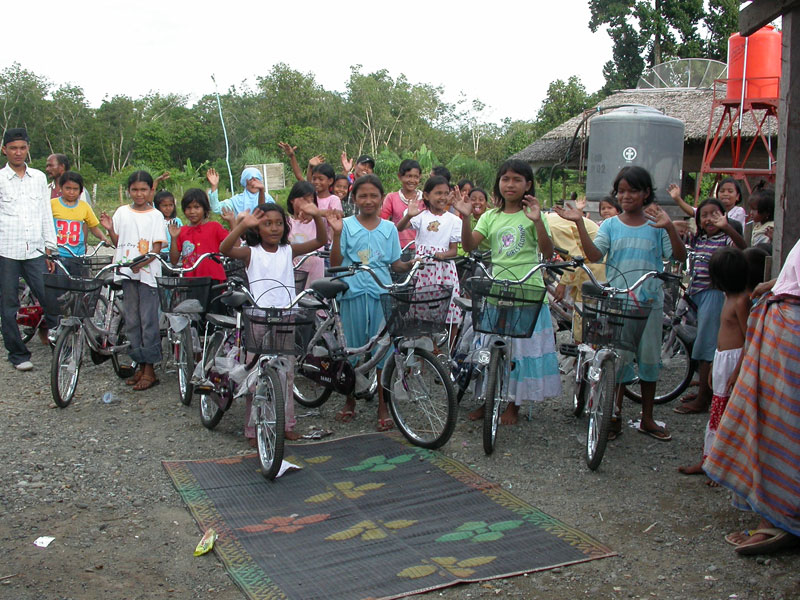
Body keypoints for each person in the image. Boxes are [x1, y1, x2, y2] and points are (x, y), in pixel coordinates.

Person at [554, 165, 687, 441]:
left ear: (646, 193)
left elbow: (678, 256)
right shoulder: (611, 225)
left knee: (649, 361)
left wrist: (669, 227)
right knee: (617, 362)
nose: (626, 196)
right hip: (618, 304)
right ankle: (613, 416)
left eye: (632, 191)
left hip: (650, 303)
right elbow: (594, 255)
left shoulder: (657, 224)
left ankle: (647, 418)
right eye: (621, 191)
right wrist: (579, 223)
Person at [704, 238, 800, 556]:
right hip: (784, 313)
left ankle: (779, 520)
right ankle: (775, 516)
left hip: (790, 322)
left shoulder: (740, 303)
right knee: (772, 425)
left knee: (780, 428)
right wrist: (776, 283)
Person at [456, 159, 561, 425]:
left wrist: (537, 222)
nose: (510, 184)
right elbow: (469, 246)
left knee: (521, 353)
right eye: (505, 179)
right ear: (498, 183)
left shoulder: (535, 214)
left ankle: (514, 405)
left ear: (528, 184)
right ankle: (488, 400)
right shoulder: (490, 216)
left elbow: (548, 252)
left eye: (516, 179)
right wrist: (465, 218)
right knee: (489, 349)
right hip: (497, 292)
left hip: (528, 294)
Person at [220, 201, 328, 443]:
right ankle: (253, 428)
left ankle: (286, 424)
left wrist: (317, 216)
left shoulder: (288, 250)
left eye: (279, 223)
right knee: (256, 374)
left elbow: (321, 240)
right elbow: (225, 248)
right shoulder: (251, 252)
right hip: (258, 318)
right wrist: (241, 226)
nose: (274, 228)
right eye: (267, 223)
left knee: (286, 373)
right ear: (257, 229)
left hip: (285, 317)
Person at [329, 174, 413, 431]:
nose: (368, 200)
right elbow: (335, 263)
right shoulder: (344, 225)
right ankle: (350, 401)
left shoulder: (389, 228)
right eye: (362, 195)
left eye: (373, 195)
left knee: (382, 352)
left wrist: (412, 263)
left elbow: (395, 263)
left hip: (381, 294)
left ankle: (382, 406)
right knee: (352, 350)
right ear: (354, 199)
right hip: (352, 293)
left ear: (381, 198)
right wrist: (336, 235)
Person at [678, 247, 763, 481]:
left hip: (733, 361)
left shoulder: (741, 301)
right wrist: (715, 366)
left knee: (724, 415)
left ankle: (720, 466)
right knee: (717, 413)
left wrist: (737, 371)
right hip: (723, 359)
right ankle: (710, 461)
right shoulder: (730, 298)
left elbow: (749, 340)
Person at [673, 198, 747, 415]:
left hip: (713, 295)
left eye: (714, 214)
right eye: (703, 215)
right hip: (697, 294)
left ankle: (703, 400)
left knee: (706, 346)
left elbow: (743, 247)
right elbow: (681, 246)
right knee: (701, 343)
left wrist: (728, 227)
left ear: (724, 216)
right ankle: (704, 390)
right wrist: (673, 227)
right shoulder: (699, 239)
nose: (709, 219)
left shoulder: (726, 239)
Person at [99, 171, 166, 391]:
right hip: (127, 274)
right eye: (135, 189)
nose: (139, 194)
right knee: (132, 322)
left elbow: (157, 246)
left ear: (150, 190)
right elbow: (118, 242)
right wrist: (110, 229)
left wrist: (143, 263)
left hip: (147, 275)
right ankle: (140, 365)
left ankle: (150, 370)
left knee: (148, 321)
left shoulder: (156, 215)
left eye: (143, 189)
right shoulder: (121, 212)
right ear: (129, 190)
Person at [0, 128, 60, 370]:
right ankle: (18, 354)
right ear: (4, 150)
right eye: (13, 148)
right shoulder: (1, 179)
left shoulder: (38, 178)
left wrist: (50, 248)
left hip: (35, 250)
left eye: (22, 148)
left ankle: (60, 345)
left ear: (27, 149)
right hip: (6, 250)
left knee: (49, 298)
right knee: (9, 305)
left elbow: (45, 214)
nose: (18, 152)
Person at [396, 175, 462, 346]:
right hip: (424, 269)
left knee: (450, 311)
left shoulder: (454, 220)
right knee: (423, 310)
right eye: (438, 193)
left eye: (446, 193)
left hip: (445, 271)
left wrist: (443, 255)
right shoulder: (420, 216)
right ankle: (425, 349)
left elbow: (454, 250)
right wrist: (408, 216)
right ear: (426, 195)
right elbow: (400, 228)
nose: (442, 197)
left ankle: (449, 350)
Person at [547, 203, 605, 343]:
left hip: (594, 267)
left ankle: (582, 350)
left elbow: (575, 257)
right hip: (589, 265)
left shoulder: (551, 227)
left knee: (583, 316)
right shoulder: (550, 221)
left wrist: (562, 283)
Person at [50, 171, 111, 275]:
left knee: (79, 282)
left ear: (80, 190)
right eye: (68, 188)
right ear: (61, 187)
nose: (71, 192)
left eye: (75, 189)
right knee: (60, 282)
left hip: (78, 255)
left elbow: (93, 227)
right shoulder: (52, 204)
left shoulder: (84, 206)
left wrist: (103, 238)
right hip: (58, 254)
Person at [168, 188, 228, 285]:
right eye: (188, 208)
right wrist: (174, 238)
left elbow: (234, 245)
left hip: (213, 278)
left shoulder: (215, 227)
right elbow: (174, 261)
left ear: (205, 209)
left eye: (196, 207)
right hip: (190, 281)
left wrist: (232, 222)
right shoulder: (181, 231)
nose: (192, 211)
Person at [668, 178, 746, 233]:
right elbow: (694, 212)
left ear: (737, 196)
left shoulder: (739, 211)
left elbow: (728, 226)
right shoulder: (713, 210)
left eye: (730, 191)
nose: (725, 194)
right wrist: (677, 199)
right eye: (722, 191)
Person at [286, 181, 325, 286]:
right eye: (304, 199)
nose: (308, 204)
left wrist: (316, 215)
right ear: (292, 200)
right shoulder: (286, 223)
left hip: (315, 279)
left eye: (311, 200)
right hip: (295, 279)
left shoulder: (318, 222)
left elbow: (335, 214)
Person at [380, 159, 424, 252]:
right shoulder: (392, 198)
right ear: (400, 176)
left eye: (416, 177)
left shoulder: (425, 199)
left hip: (421, 248)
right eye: (409, 176)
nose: (412, 180)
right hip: (397, 247)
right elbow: (383, 222)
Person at [206, 166, 273, 219]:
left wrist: (261, 191)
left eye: (256, 178)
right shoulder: (236, 201)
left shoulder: (267, 198)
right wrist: (214, 186)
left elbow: (267, 213)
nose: (254, 183)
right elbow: (216, 208)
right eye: (250, 179)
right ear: (245, 182)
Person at [154, 190, 181, 263]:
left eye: (171, 205)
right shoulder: (156, 221)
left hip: (175, 255)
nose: (168, 208)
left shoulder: (177, 221)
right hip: (160, 256)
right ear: (157, 206)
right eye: (164, 206)